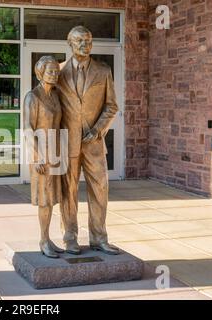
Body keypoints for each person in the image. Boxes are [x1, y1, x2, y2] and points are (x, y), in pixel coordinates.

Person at [57, 26, 120, 255]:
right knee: (68, 191)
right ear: (70, 43)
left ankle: (99, 237)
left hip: (94, 142)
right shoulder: (59, 72)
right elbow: (50, 105)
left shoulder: (103, 71)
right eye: (79, 40)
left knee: (100, 189)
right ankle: (70, 237)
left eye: (88, 40)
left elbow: (112, 105)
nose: (85, 44)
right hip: (68, 142)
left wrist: (98, 129)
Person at [24, 56, 64, 258]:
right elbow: (28, 129)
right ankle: (43, 239)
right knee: (44, 200)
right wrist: (37, 156)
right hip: (40, 154)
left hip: (55, 151)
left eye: (57, 71)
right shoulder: (33, 97)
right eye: (50, 71)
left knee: (52, 198)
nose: (55, 74)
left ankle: (48, 238)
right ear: (40, 73)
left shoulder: (55, 96)